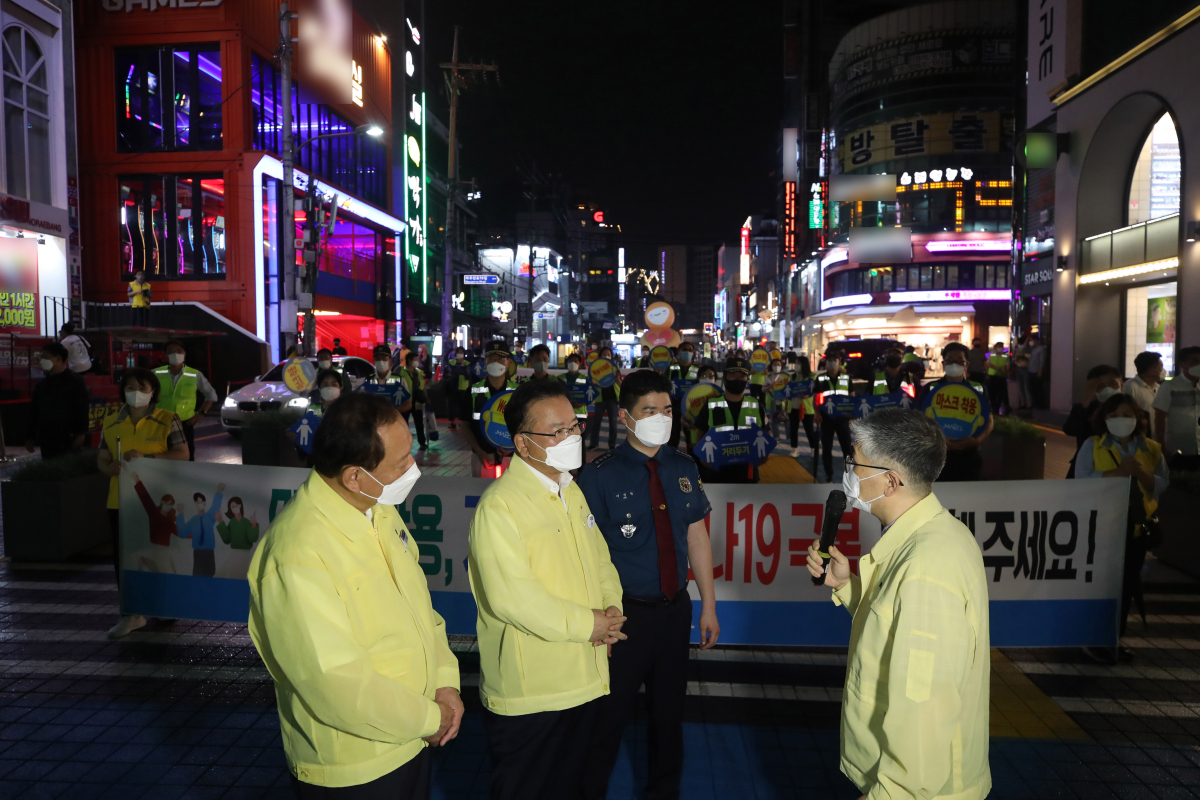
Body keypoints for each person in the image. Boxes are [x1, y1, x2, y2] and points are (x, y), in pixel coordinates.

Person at [248, 393, 462, 799]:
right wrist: (429, 718)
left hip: (410, 739)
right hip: (355, 765)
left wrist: (446, 683)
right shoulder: (298, 553)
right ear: (353, 476)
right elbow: (336, 685)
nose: (413, 469)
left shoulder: (378, 510)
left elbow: (420, 610)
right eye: (401, 464)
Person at [806, 409, 990, 800]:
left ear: (890, 481)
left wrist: (890, 794)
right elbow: (896, 629)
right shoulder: (930, 534)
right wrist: (848, 587)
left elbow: (923, 709)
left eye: (855, 461)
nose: (849, 470)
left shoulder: (926, 564)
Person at [467, 379, 626, 800]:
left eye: (574, 426)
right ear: (523, 443)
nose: (572, 437)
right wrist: (591, 624)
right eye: (557, 431)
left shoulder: (570, 491)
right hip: (533, 695)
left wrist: (611, 609)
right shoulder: (500, 507)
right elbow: (514, 599)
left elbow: (600, 560)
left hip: (585, 676)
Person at [577, 370, 719, 800]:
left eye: (667, 410)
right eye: (649, 410)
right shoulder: (599, 475)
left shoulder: (683, 467)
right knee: (606, 721)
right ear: (625, 416)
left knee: (668, 719)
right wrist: (598, 620)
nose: (661, 418)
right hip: (623, 618)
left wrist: (708, 606)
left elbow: (697, 538)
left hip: (675, 612)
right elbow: (583, 556)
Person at [96, 367, 190, 639]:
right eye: (130, 387)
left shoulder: (167, 419)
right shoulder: (111, 421)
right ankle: (132, 614)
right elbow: (101, 459)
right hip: (120, 501)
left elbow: (183, 454)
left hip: (159, 503)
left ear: (153, 392)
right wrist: (108, 467)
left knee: (159, 556)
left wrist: (147, 462)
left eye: (143, 388)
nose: (136, 393)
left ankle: (162, 605)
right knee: (125, 559)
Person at [1075, 393, 1169, 660]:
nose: (1120, 420)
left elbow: (1162, 484)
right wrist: (1118, 472)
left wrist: (1142, 475)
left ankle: (1114, 638)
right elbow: (1081, 481)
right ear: (1104, 419)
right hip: (1102, 529)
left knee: (1126, 585)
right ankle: (1093, 638)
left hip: (1137, 529)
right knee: (1101, 585)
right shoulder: (1092, 445)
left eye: (1127, 415)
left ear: (1138, 418)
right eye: (1113, 415)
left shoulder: (1151, 448)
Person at [924, 342, 993, 481]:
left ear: (967, 364)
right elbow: (918, 421)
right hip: (937, 456)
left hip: (969, 455)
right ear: (943, 363)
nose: (954, 364)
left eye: (959, 360)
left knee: (970, 496)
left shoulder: (978, 388)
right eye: (949, 360)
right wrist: (939, 441)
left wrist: (976, 441)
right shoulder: (930, 388)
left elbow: (990, 420)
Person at [693, 357, 765, 484]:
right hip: (715, 473)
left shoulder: (757, 405)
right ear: (725, 377)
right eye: (733, 375)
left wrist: (765, 454)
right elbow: (700, 434)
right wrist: (701, 455)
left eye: (741, 376)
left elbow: (765, 433)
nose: (737, 379)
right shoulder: (710, 404)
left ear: (747, 379)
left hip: (747, 473)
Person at [154, 339, 218, 461]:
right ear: (165, 355)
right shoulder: (156, 373)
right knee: (160, 455)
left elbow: (211, 394)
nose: (176, 354)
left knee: (186, 458)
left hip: (185, 424)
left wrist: (201, 413)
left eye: (179, 351)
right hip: (159, 423)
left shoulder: (195, 374)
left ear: (184, 353)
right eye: (171, 352)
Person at [459, 341, 517, 477]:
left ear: (508, 363)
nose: (495, 362)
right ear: (485, 362)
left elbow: (526, 425)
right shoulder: (473, 391)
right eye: (491, 358)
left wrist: (511, 448)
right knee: (480, 496)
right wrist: (479, 451)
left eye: (500, 359)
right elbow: (465, 425)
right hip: (482, 458)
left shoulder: (518, 392)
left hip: (513, 458)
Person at [26, 343, 89, 460]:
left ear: (59, 359)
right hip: (47, 437)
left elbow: (82, 408)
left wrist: (80, 433)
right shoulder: (41, 385)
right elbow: (34, 411)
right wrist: (30, 437)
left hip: (68, 437)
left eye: (46, 357)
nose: (42, 360)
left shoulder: (75, 381)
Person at [1064, 364, 1123, 478]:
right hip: (1087, 469)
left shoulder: (1134, 411)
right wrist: (1085, 401)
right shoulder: (1085, 409)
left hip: (1121, 468)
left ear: (1121, 384)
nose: (1107, 388)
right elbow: (1070, 429)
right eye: (1100, 385)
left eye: (1112, 384)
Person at [1152, 346, 1200, 465]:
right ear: (1183, 364)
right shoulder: (1170, 386)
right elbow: (1159, 417)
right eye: (1194, 360)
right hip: (1177, 449)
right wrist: (1161, 446)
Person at [813, 353, 853, 483]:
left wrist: (850, 412)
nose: (832, 363)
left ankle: (850, 475)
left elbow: (852, 397)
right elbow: (816, 398)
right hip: (826, 418)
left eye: (835, 360)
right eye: (830, 360)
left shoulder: (846, 378)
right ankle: (828, 475)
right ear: (826, 363)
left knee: (847, 448)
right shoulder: (820, 378)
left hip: (842, 417)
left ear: (839, 361)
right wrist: (817, 413)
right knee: (826, 448)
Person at [176, 483, 225, 578]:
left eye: (201, 502)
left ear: (205, 502)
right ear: (195, 504)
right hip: (198, 554)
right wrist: (180, 514)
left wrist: (219, 492)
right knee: (197, 577)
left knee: (210, 577)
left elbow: (215, 507)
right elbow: (182, 533)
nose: (200, 504)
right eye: (197, 502)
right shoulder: (194, 520)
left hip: (209, 553)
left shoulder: (210, 517)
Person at [588, 345, 623, 451]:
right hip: (600, 399)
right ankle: (594, 444)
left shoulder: (614, 369)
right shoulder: (595, 368)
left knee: (613, 423)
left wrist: (617, 379)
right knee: (596, 422)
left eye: (608, 354)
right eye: (604, 354)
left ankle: (612, 445)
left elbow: (621, 385)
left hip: (612, 399)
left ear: (611, 356)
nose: (606, 356)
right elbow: (590, 383)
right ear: (599, 356)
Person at [788, 355, 820, 464]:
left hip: (807, 407)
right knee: (793, 429)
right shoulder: (792, 377)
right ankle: (794, 449)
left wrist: (807, 395)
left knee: (809, 429)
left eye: (798, 363)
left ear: (804, 364)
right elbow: (788, 390)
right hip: (793, 406)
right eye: (796, 363)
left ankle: (813, 449)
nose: (796, 365)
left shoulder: (812, 376)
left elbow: (815, 391)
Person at [402, 351, 429, 450]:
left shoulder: (419, 372)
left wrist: (425, 397)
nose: (417, 361)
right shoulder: (402, 372)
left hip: (417, 401)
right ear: (409, 360)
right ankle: (404, 444)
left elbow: (423, 387)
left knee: (419, 423)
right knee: (404, 424)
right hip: (406, 402)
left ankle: (422, 442)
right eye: (415, 359)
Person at [1126, 351, 1163, 420]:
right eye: (1161, 367)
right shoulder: (1131, 387)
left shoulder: (1159, 387)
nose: (1162, 370)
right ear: (1151, 369)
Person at [558, 352, 590, 424]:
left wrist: (582, 403)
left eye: (575, 361)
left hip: (581, 415)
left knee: (581, 435)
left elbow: (590, 395)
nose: (573, 363)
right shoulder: (560, 378)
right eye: (570, 361)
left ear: (579, 364)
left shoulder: (585, 378)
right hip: (564, 415)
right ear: (567, 363)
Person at [985, 341, 1009, 415]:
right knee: (992, 393)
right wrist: (996, 368)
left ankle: (998, 407)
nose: (1000, 348)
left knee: (1001, 393)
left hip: (1001, 376)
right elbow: (987, 364)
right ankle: (993, 407)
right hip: (992, 376)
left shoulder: (1005, 356)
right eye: (999, 346)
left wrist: (1006, 372)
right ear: (995, 348)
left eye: (1001, 347)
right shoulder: (991, 355)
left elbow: (1008, 366)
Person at [1027, 334, 1048, 408]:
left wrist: (1040, 370)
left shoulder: (1041, 348)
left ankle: (1041, 404)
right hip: (1030, 371)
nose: (1030, 342)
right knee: (1032, 389)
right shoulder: (1031, 349)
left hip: (1036, 371)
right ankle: (1035, 403)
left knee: (1038, 388)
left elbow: (1042, 360)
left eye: (1031, 340)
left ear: (1036, 340)